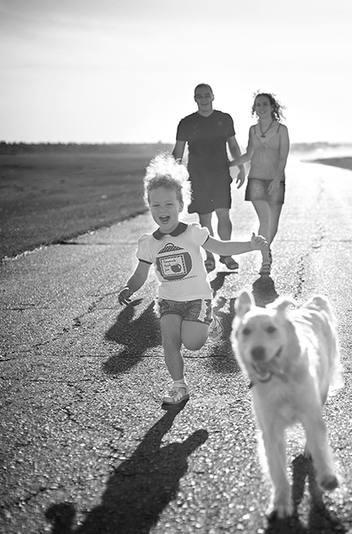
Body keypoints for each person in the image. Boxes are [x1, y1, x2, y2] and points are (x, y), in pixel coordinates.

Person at [118, 154, 268, 405]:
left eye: (169, 204)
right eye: (156, 205)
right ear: (149, 206)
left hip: (197, 299)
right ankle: (179, 386)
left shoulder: (192, 233)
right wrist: (129, 287)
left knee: (193, 343)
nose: (162, 210)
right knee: (169, 342)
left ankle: (209, 322)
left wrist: (250, 246)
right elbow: (140, 274)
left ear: (180, 205)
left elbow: (222, 247)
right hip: (168, 301)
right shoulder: (149, 243)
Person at [172, 83, 246, 272]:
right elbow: (178, 152)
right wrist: (172, 175)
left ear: (213, 96)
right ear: (195, 99)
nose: (204, 99)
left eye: (207, 95)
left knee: (223, 214)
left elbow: (233, 145)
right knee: (205, 218)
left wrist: (240, 166)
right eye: (200, 96)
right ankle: (210, 257)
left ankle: (226, 254)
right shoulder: (186, 122)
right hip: (198, 176)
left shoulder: (224, 119)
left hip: (220, 173)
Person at [229, 92, 290, 275]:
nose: (261, 108)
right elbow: (248, 154)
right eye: (258, 105)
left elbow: (283, 157)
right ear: (254, 108)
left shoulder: (281, 130)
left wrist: (276, 179)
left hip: (276, 180)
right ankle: (265, 260)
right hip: (256, 178)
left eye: (264, 104)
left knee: (273, 224)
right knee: (265, 219)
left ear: (272, 107)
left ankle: (266, 249)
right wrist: (229, 164)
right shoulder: (253, 130)